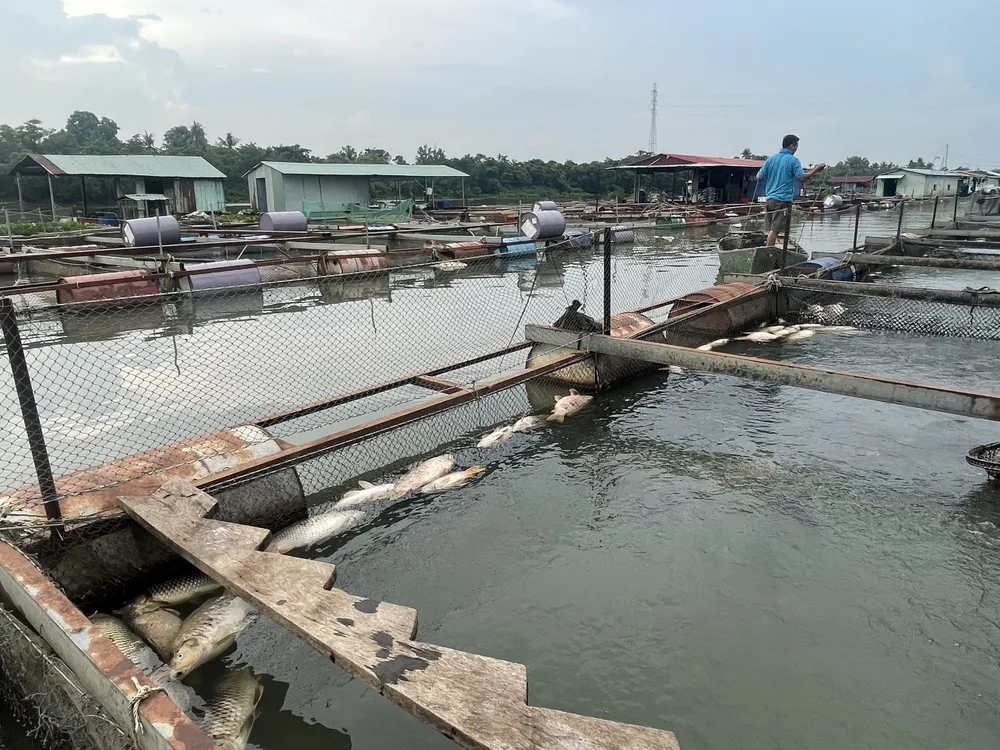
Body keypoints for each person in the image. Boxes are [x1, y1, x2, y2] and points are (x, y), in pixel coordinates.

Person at [755, 134, 826, 246]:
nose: (796, 149)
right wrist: (816, 169)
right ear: (792, 145)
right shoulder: (793, 160)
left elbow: (758, 177)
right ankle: (769, 253)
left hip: (769, 199)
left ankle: (770, 249)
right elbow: (802, 177)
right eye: (796, 146)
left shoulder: (771, 159)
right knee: (775, 230)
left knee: (770, 229)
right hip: (782, 200)